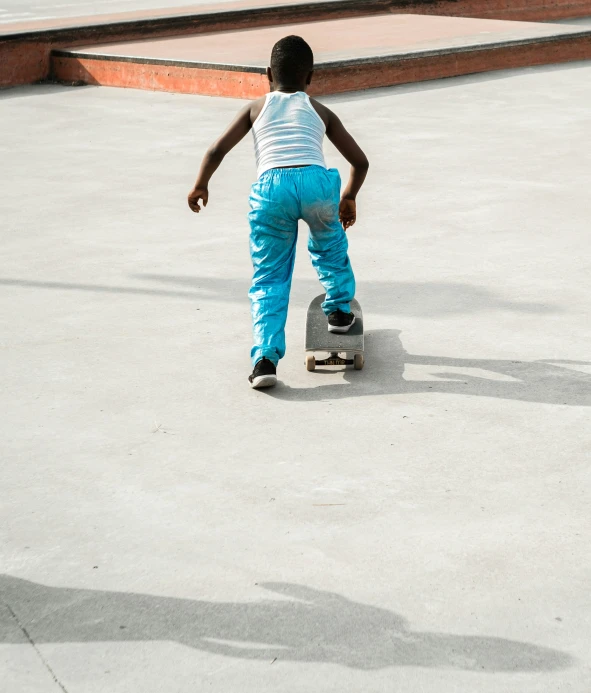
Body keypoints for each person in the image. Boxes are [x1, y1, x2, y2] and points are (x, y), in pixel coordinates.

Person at [188, 35, 369, 388]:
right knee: (330, 245)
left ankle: (265, 360)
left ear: (267, 74)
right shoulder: (319, 110)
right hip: (316, 185)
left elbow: (216, 150)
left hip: (271, 190)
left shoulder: (256, 107)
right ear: (310, 78)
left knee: (269, 276)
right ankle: (338, 309)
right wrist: (348, 197)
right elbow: (360, 161)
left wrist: (201, 184)